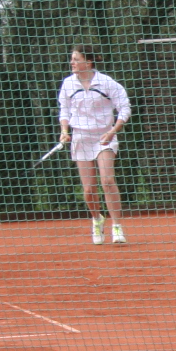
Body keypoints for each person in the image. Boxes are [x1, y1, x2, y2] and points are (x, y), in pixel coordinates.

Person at [57, 45, 131, 245]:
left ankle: (117, 226)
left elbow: (124, 108)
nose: (72, 63)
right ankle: (97, 219)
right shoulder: (68, 84)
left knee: (107, 180)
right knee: (89, 190)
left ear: (88, 62)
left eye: (76, 59)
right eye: (72, 59)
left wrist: (112, 131)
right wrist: (64, 131)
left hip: (104, 136)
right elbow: (64, 111)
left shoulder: (106, 82)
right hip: (81, 138)